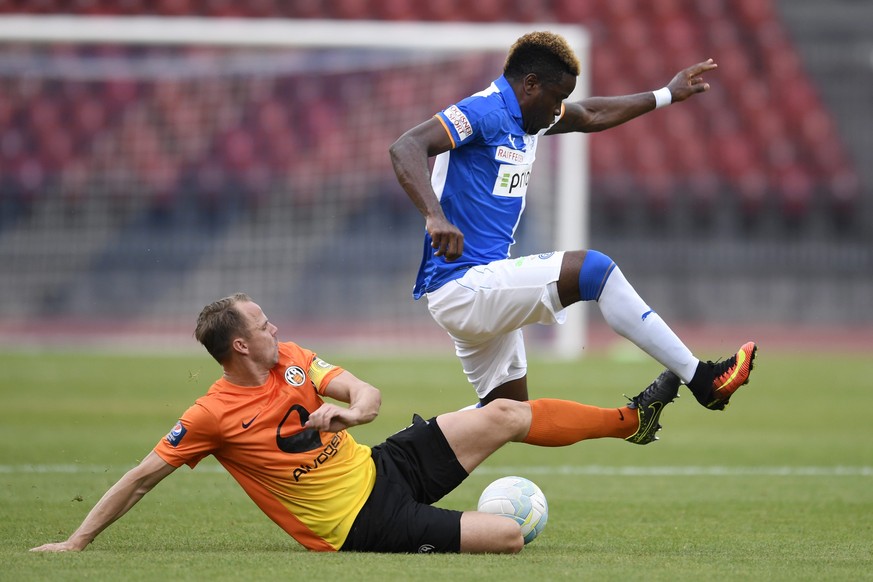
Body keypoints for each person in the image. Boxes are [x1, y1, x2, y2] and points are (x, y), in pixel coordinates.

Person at [32, 292, 681, 555]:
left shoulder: (291, 361)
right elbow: (143, 476)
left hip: (381, 465)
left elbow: (364, 394)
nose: (275, 327)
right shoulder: (210, 416)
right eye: (262, 324)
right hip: (358, 523)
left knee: (504, 413)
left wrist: (349, 410)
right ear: (238, 346)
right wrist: (76, 542)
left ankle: (631, 420)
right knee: (510, 537)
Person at [389, 31, 757, 409]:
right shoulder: (483, 111)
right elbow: (406, 146)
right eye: (557, 98)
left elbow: (590, 114)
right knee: (594, 270)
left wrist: (665, 94)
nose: (557, 110)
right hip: (462, 284)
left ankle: (398, 457)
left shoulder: (528, 115)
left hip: (481, 286)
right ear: (530, 85)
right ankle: (703, 379)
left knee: (506, 416)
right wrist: (435, 216)